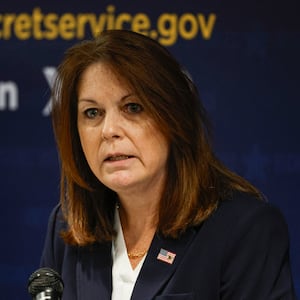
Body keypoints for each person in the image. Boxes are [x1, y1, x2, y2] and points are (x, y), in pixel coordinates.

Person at [40, 29, 296, 299]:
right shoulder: (68, 226)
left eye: (133, 107)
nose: (109, 130)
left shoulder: (245, 230)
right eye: (92, 113)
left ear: (173, 118)